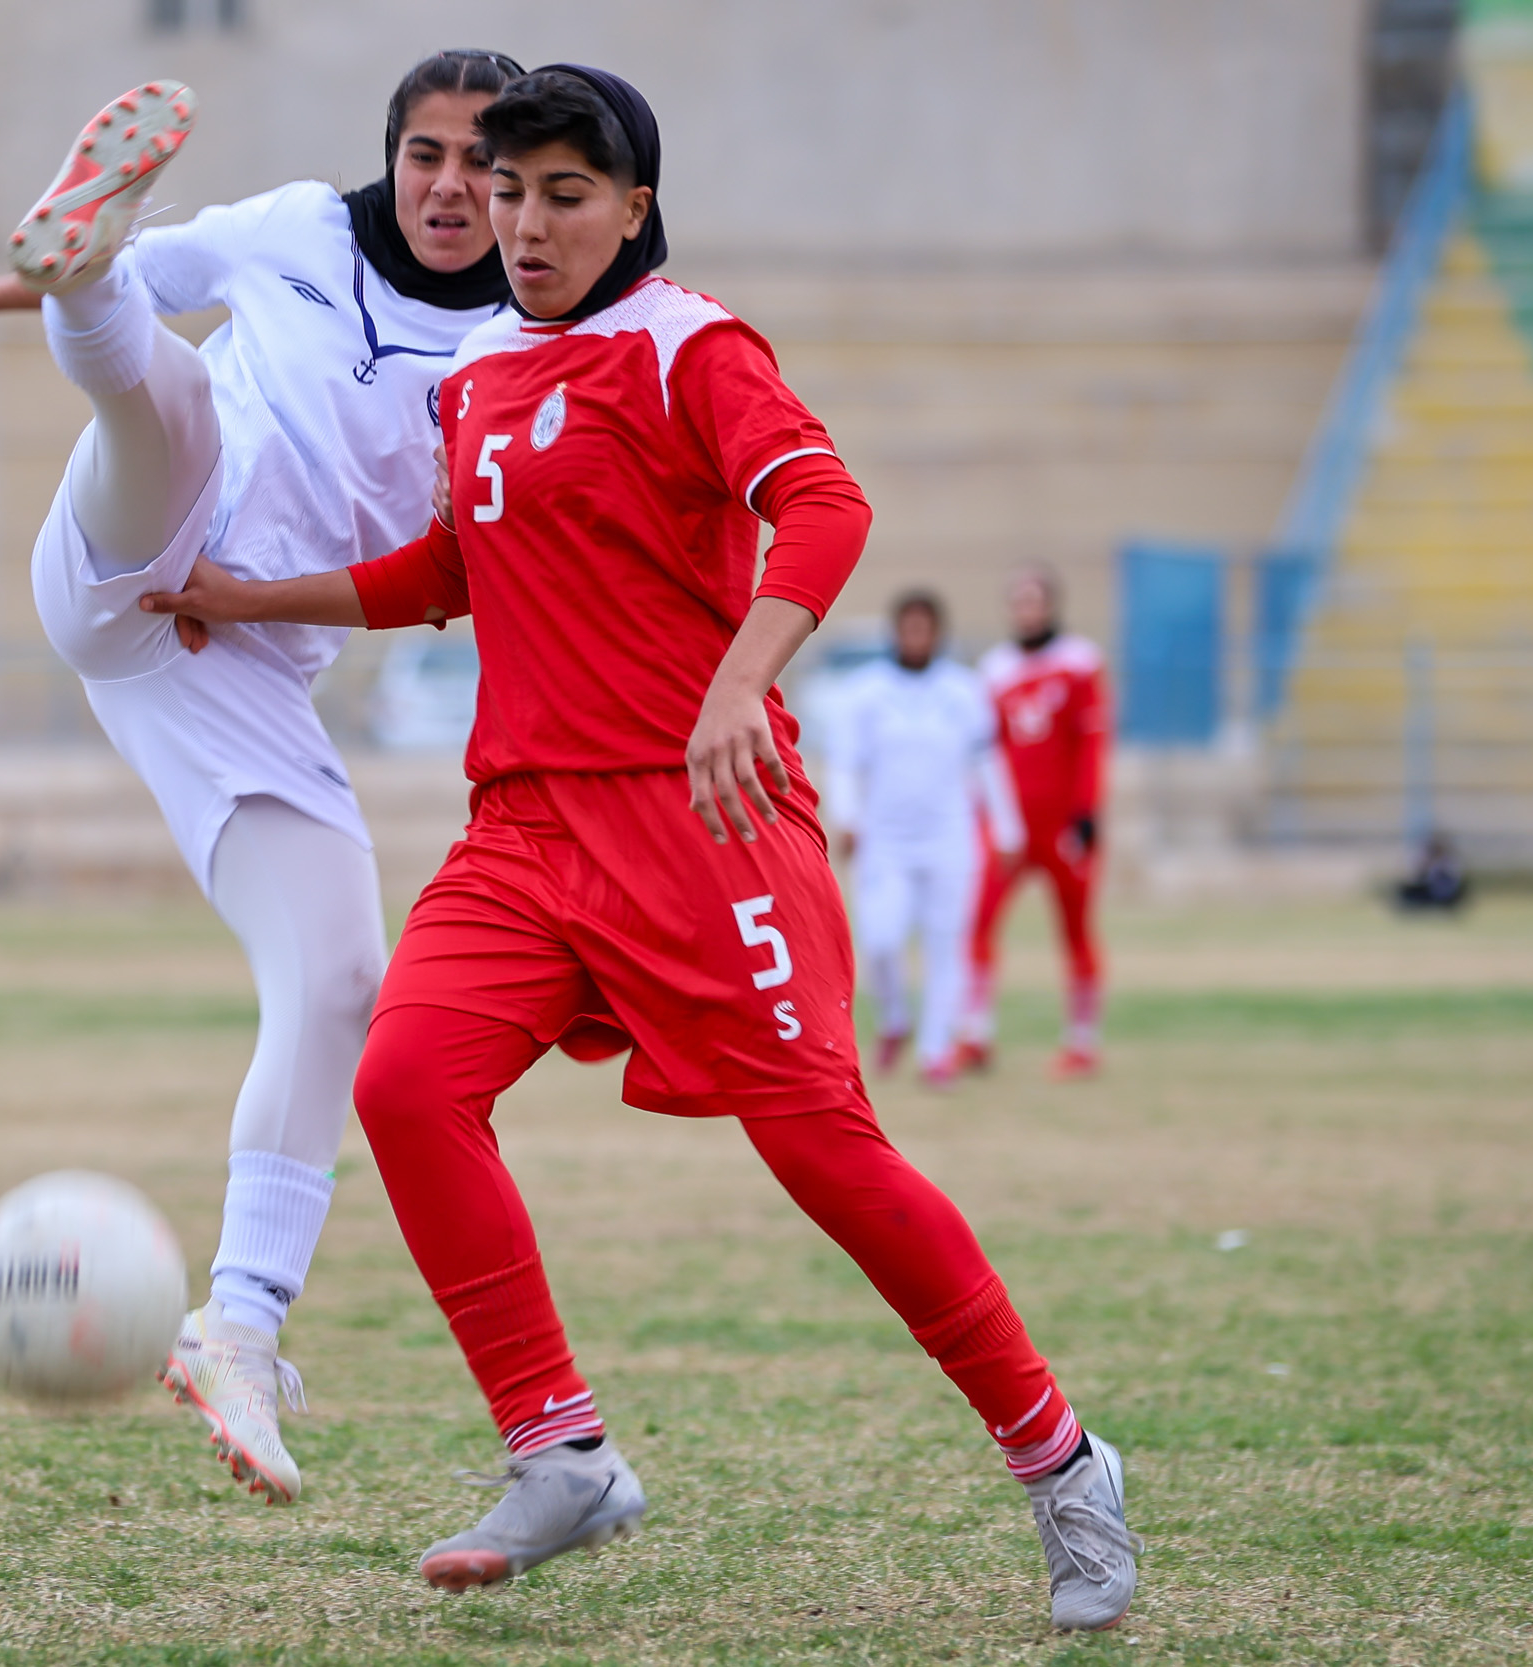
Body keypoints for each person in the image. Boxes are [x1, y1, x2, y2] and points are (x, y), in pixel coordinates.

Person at [140, 65, 1137, 1630]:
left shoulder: (690, 345)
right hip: (525, 825)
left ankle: (1063, 1459)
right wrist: (246, 595)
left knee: (823, 1148)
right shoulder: (475, 372)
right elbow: (445, 571)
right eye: (507, 191)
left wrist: (743, 676)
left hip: (701, 824)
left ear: (633, 210)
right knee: (403, 1081)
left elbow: (823, 503)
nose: (522, 224)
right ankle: (563, 1450)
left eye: (560, 195)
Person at [0, 52, 524, 1506]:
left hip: (235, 665)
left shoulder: (522, 345)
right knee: (170, 406)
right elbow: (125, 263)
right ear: (392, 156)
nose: (447, 186)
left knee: (345, 975)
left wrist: (249, 603)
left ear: (520, 182)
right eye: (425, 153)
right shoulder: (298, 226)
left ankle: (237, 1324)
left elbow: (446, 577)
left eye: (482, 164)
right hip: (131, 562)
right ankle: (88, 294)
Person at [814, 590, 1022, 1085]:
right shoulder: (865, 693)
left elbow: (988, 764)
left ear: (938, 634)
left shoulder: (963, 692)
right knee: (881, 939)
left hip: (950, 837)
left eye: (924, 628)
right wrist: (848, 818)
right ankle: (894, 1019)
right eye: (908, 628)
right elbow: (845, 765)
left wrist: (1010, 828)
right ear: (896, 633)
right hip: (885, 840)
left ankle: (935, 1051)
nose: (916, 637)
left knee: (945, 944)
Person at [961, 565, 1109, 1080]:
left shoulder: (1080, 663)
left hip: (1063, 823)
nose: (1027, 610)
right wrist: (982, 816)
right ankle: (976, 1034)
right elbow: (985, 754)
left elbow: (1092, 742)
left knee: (1074, 928)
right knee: (977, 922)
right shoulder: (994, 670)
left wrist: (1087, 812)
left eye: (1035, 600)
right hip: (1009, 829)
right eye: (1019, 601)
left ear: (1052, 605)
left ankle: (1083, 1042)